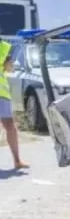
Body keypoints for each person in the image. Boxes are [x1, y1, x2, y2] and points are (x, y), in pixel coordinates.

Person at [0, 40, 28, 170]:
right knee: (9, 126)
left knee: (10, 126)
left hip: (2, 94)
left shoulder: (4, 47)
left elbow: (9, 67)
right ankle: (17, 160)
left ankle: (17, 160)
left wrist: (8, 63)